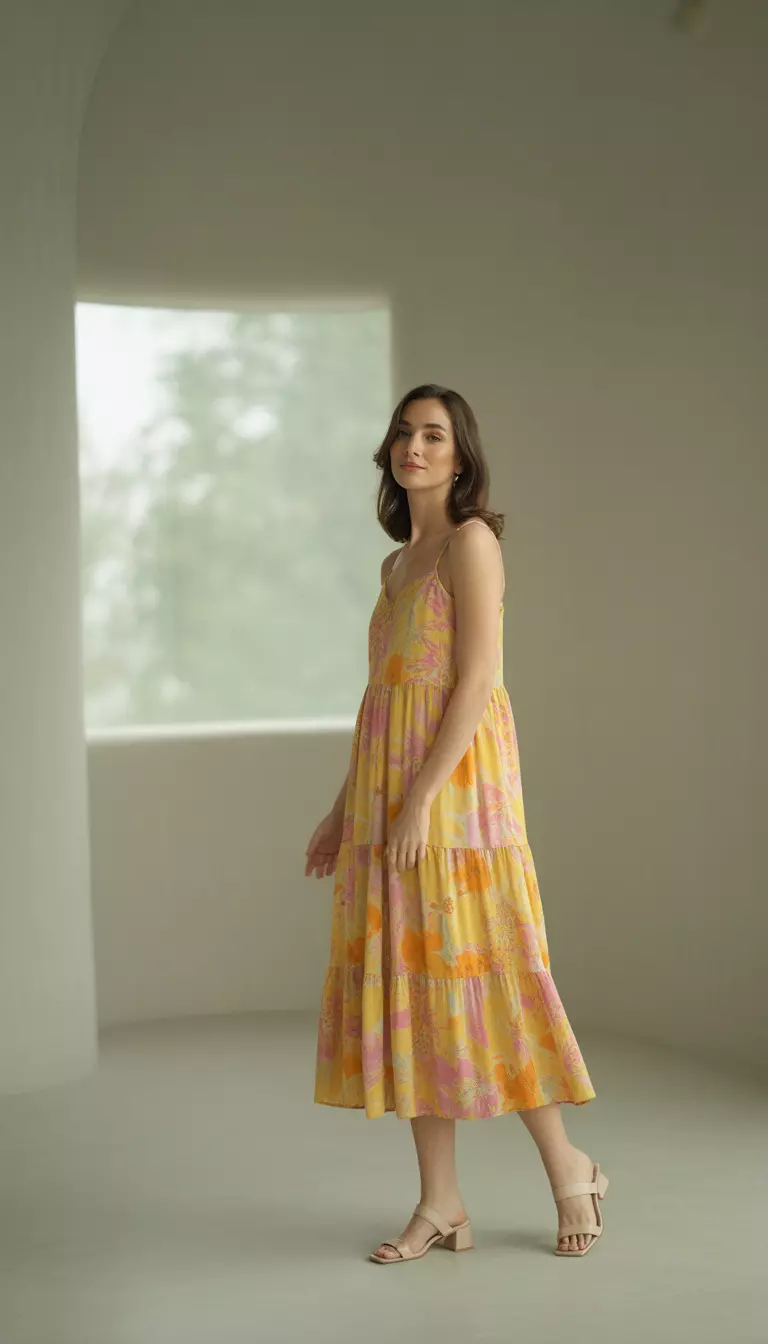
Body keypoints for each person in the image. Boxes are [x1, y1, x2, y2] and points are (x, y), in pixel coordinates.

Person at [305, 384, 608, 1264]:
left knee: (491, 976)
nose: (414, 447)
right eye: (404, 433)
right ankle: (442, 1202)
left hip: (456, 799)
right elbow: (382, 704)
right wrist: (343, 809)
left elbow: (474, 681)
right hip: (390, 800)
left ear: (461, 454)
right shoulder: (399, 563)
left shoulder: (472, 544)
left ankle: (569, 1166)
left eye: (433, 434)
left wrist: (421, 800)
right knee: (416, 987)